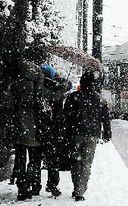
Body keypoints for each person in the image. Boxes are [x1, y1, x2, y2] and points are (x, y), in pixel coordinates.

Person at [64, 71, 111, 201]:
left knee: (76, 161)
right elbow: (105, 118)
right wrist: (107, 133)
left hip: (75, 134)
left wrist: (66, 131)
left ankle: (76, 187)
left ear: (81, 83)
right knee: (86, 163)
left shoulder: (73, 97)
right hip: (92, 135)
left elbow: (66, 116)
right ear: (94, 84)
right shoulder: (100, 99)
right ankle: (80, 191)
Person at [10, 60, 44, 200]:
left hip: (19, 127)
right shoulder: (37, 81)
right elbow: (46, 98)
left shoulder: (15, 82)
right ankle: (34, 184)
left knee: (20, 159)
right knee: (35, 159)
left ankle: (21, 187)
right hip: (34, 127)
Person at [40, 64, 72, 197]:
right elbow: (68, 86)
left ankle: (35, 185)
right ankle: (52, 185)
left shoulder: (39, 88)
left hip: (40, 126)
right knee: (53, 159)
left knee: (35, 159)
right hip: (55, 129)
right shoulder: (59, 90)